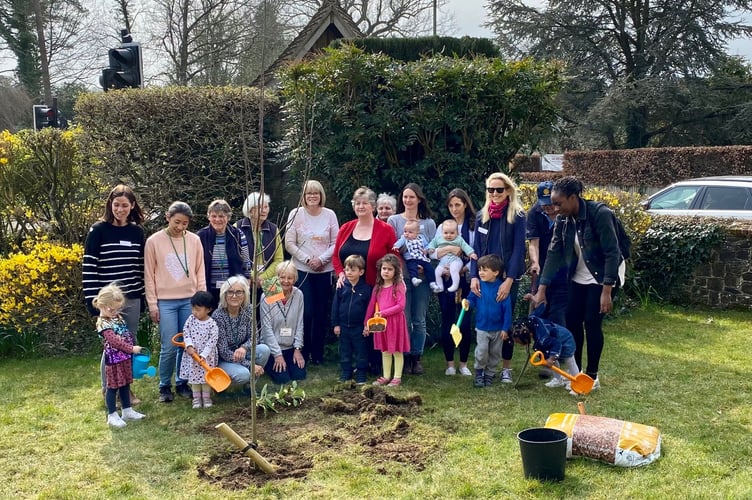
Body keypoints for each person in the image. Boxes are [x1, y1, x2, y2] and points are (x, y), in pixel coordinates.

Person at [531, 177, 625, 390]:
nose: (555, 208)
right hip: (578, 275)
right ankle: (576, 375)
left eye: (559, 203)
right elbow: (553, 253)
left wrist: (606, 290)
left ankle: (592, 377)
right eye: (553, 203)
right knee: (572, 322)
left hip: (603, 274)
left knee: (592, 323)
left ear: (573, 198)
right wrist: (542, 290)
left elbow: (613, 253)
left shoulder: (600, 214)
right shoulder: (563, 220)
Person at [83, 184, 146, 405]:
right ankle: (109, 389)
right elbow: (90, 266)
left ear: (132, 206)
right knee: (112, 345)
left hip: (131, 298)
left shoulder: (137, 232)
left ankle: (126, 391)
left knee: (128, 342)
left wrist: (143, 296)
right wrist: (93, 300)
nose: (120, 209)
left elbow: (140, 267)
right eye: (116, 204)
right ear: (111, 205)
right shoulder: (98, 230)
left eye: (125, 205)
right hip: (108, 301)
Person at [145, 201, 206, 403]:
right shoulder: (154, 241)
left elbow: (199, 269)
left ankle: (182, 382)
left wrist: (201, 299)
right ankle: (164, 385)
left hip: (189, 300)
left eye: (185, 223)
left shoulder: (195, 240)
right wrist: (153, 304)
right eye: (177, 222)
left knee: (187, 344)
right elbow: (149, 275)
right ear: (167, 217)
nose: (180, 227)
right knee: (169, 346)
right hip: (166, 302)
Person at [332, 187, 397, 374]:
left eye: (365, 203)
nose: (360, 206)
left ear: (373, 206)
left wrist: (389, 281)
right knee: (351, 329)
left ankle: (375, 365)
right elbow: (336, 256)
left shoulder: (385, 230)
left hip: (374, 287)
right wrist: (341, 274)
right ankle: (350, 365)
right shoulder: (346, 228)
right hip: (347, 287)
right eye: (357, 203)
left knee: (372, 327)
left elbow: (393, 258)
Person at [470, 172, 526, 384]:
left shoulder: (518, 216)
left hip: (507, 276)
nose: (494, 193)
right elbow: (476, 248)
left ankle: (506, 367)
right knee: (486, 319)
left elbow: (519, 248)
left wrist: (509, 278)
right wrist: (475, 275)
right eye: (491, 190)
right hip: (485, 275)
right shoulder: (481, 215)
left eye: (499, 190)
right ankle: (482, 368)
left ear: (508, 191)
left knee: (505, 319)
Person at [285, 180, 339, 365]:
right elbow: (289, 243)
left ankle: (318, 354)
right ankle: (302, 350)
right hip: (302, 271)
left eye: (316, 193)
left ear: (321, 195)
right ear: (304, 196)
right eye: (308, 193)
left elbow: (335, 243)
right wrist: (308, 260)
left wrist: (321, 260)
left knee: (321, 313)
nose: (312, 196)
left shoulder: (329, 215)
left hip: (324, 271)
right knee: (306, 312)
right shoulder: (295, 214)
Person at [388, 183, 436, 375]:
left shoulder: (429, 224)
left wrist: (425, 263)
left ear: (419, 199)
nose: (408, 200)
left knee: (419, 319)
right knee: (404, 318)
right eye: (405, 197)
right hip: (402, 277)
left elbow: (433, 249)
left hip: (423, 278)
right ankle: (405, 357)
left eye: (412, 197)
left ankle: (417, 357)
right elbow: (391, 248)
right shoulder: (394, 221)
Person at [93, 283, 146, 428]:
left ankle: (127, 410)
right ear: (102, 305)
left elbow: (125, 332)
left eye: (118, 309)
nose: (115, 312)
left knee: (125, 384)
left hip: (124, 358)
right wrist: (131, 348)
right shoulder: (102, 323)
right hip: (114, 360)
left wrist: (130, 348)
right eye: (112, 309)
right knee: (113, 386)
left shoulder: (117, 317)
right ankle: (112, 415)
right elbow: (115, 341)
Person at [437, 188, 477, 377]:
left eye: (458, 205)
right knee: (448, 320)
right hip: (446, 279)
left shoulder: (473, 226)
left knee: (464, 321)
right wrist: (445, 264)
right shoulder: (443, 226)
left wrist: (464, 268)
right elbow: (434, 251)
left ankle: (463, 363)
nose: (454, 208)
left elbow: (477, 253)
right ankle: (449, 363)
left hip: (467, 280)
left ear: (465, 205)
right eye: (451, 205)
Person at [214, 276, 272, 387]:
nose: (234, 296)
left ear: (245, 294)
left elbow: (254, 337)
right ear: (224, 295)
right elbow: (224, 352)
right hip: (225, 359)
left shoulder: (249, 310)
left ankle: (250, 387)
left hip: (243, 352)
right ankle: (222, 387)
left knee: (264, 349)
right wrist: (251, 365)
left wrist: (244, 348)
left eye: (239, 292)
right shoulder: (218, 315)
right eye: (230, 292)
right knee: (243, 374)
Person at [466, 254, 512, 388]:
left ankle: (489, 374)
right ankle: (479, 373)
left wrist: (505, 328)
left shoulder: (502, 289)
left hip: (498, 329)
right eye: (480, 269)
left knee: (495, 353)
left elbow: (507, 312)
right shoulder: (479, 286)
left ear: (496, 272)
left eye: (485, 270)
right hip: (482, 327)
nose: (481, 273)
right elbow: (472, 299)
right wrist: (468, 303)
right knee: (481, 351)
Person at [525, 181, 567, 327]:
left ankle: (560, 344)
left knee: (558, 313)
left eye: (551, 203)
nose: (548, 208)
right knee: (540, 309)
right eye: (544, 204)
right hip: (543, 269)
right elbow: (533, 243)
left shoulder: (565, 213)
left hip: (563, 270)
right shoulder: (534, 213)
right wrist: (535, 262)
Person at [364, 254, 410, 387]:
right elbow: (371, 305)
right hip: (380, 324)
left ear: (396, 271)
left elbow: (401, 306)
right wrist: (367, 322)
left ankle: (397, 377)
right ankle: (386, 376)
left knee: (396, 350)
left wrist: (383, 313)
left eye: (390, 269)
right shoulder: (377, 287)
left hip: (395, 323)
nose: (386, 271)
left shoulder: (398, 286)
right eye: (384, 268)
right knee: (384, 350)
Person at [197, 199, 251, 309]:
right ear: (208, 217)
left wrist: (247, 280)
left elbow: (246, 260)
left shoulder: (238, 234)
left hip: (231, 290)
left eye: (221, 216)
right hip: (208, 289)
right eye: (214, 216)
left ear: (228, 217)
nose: (217, 220)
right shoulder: (200, 236)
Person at [511, 304, 579, 390]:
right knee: (553, 362)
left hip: (565, 339)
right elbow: (540, 309)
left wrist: (551, 358)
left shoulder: (542, 337)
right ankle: (558, 379)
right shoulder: (530, 321)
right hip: (553, 338)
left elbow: (556, 343)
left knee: (569, 360)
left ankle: (576, 381)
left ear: (529, 334)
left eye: (521, 343)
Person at [261, 261, 307, 385]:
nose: (285, 281)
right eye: (282, 277)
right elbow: (266, 329)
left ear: (295, 279)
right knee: (283, 379)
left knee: (299, 375)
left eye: (290, 278)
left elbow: (299, 324)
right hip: (272, 348)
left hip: (290, 346)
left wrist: (298, 349)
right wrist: (277, 355)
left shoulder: (298, 294)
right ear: (276, 277)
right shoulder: (269, 292)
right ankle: (268, 364)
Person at [331, 255, 372, 384]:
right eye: (347, 269)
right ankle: (346, 372)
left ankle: (361, 374)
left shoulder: (366, 289)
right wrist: (336, 324)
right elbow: (335, 306)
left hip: (359, 327)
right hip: (343, 327)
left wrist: (367, 325)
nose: (349, 273)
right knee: (345, 351)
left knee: (361, 352)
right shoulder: (342, 287)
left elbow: (369, 309)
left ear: (361, 272)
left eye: (353, 270)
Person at [179, 291, 219, 409]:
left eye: (198, 309)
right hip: (192, 355)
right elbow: (186, 332)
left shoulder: (212, 324)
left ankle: (206, 398)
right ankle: (196, 398)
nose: (194, 312)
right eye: (193, 309)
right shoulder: (191, 320)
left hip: (206, 357)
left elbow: (212, 341)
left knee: (206, 377)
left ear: (208, 309)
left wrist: (204, 355)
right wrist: (189, 346)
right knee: (194, 378)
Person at [236, 191, 284, 290]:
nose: (264, 211)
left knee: (275, 304)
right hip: (245, 280)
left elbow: (279, 260)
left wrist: (262, 277)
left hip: (271, 280)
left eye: (266, 207)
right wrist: (252, 276)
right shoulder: (237, 228)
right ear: (250, 210)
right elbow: (235, 257)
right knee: (246, 305)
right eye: (259, 208)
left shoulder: (274, 229)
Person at [427, 219, 477, 293]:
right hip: (444, 261)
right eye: (446, 233)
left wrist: (471, 253)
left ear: (457, 233)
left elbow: (465, 246)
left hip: (455, 260)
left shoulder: (459, 239)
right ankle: (440, 286)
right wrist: (431, 248)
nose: (449, 235)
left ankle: (455, 284)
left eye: (452, 233)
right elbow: (432, 243)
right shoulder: (439, 239)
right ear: (442, 232)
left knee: (454, 269)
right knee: (437, 272)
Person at [392, 219, 440, 291]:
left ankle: (432, 282)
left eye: (410, 232)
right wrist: (396, 246)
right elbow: (399, 242)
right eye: (405, 231)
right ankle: (414, 278)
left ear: (417, 232)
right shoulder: (404, 238)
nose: (407, 233)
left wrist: (426, 250)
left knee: (429, 268)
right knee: (412, 266)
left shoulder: (421, 238)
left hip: (421, 257)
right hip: (411, 258)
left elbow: (427, 245)